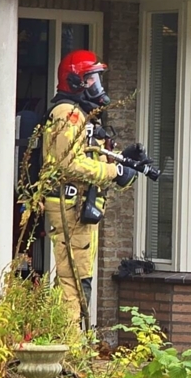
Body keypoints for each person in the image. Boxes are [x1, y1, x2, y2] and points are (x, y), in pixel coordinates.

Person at [42, 50, 149, 324]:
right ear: (75, 81)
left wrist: (125, 161)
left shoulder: (82, 115)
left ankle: (63, 343)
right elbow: (69, 163)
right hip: (70, 208)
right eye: (91, 79)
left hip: (79, 207)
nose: (97, 86)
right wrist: (114, 170)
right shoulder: (67, 113)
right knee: (74, 280)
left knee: (77, 277)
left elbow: (94, 160)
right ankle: (70, 349)